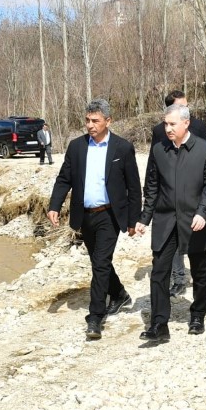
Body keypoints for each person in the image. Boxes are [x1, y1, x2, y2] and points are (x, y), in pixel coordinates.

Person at [48, 99, 142, 341]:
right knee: (99, 262)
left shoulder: (122, 148)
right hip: (84, 215)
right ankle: (119, 294)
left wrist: (134, 219)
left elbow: (134, 186)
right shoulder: (77, 147)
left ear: (108, 121)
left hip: (110, 215)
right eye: (87, 120)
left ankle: (95, 317)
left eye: (95, 121)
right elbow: (64, 178)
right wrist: (54, 205)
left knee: (100, 263)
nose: (90, 125)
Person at [135, 103, 206, 343]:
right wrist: (144, 217)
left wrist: (203, 212)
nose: (168, 128)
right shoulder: (159, 150)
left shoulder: (204, 149)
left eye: (173, 124)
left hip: (195, 220)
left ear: (186, 123)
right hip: (165, 220)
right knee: (159, 271)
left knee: (200, 270)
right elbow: (152, 186)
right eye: (166, 124)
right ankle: (159, 323)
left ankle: (198, 315)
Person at [149, 89, 206, 298]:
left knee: (197, 252)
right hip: (169, 200)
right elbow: (153, 168)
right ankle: (179, 279)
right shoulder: (159, 132)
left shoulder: (199, 127)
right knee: (171, 245)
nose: (186, 109)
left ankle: (201, 272)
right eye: (180, 106)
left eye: (186, 106)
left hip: (193, 198)